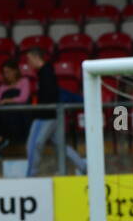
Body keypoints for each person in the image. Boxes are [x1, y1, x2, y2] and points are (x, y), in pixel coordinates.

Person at [23, 47, 87, 175]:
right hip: (54, 115)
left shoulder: (45, 72)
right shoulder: (45, 72)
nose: (28, 63)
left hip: (45, 116)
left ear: (36, 57)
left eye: (29, 59)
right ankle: (84, 167)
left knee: (33, 145)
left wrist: (40, 111)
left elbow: (49, 96)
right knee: (61, 145)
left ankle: (31, 175)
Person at [0, 62, 32, 157]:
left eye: (9, 72)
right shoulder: (3, 86)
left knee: (6, 113)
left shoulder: (24, 81)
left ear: (15, 71)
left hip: (20, 115)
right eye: (4, 73)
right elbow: (0, 102)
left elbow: (24, 98)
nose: (7, 75)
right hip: (5, 115)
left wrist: (7, 100)